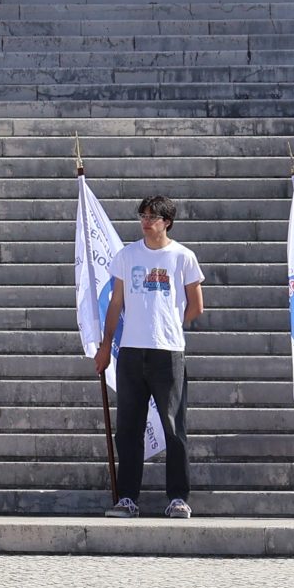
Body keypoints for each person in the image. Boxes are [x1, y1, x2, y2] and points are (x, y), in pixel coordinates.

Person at [95, 194, 204, 518]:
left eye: (152, 217)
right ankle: (127, 498)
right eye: (142, 216)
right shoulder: (127, 255)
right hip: (131, 351)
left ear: (166, 222)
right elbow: (115, 303)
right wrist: (106, 345)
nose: (145, 222)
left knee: (174, 427)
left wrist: (168, 325)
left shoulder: (183, 257)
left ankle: (178, 498)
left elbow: (196, 305)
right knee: (128, 428)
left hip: (168, 352)